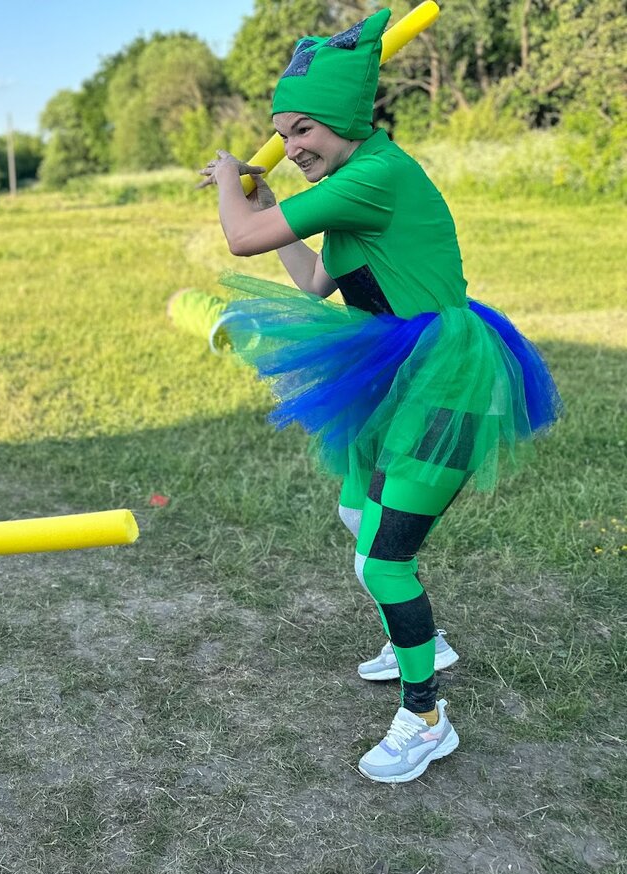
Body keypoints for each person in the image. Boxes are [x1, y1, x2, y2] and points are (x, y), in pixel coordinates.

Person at [186, 10, 561, 783]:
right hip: (399, 373)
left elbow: (238, 242)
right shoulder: (354, 181)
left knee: (386, 563)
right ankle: (417, 637)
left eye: (304, 131)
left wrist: (231, 185)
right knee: (359, 516)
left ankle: (426, 717)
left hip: (449, 380)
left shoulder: (376, 177)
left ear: (347, 121)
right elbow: (318, 281)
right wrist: (261, 203)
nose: (292, 149)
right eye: (283, 136)